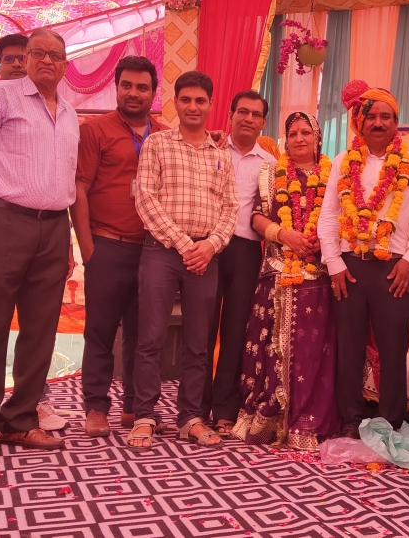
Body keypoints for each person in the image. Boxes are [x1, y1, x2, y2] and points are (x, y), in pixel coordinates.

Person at [0, 28, 78, 462]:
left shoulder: (70, 111)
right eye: (38, 53)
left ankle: (21, 419)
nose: (47, 60)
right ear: (24, 59)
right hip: (4, 222)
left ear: (65, 66)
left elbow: (65, 178)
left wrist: (67, 241)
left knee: (41, 329)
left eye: (55, 55)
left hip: (54, 228)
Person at [131, 70, 237, 451]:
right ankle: (145, 415)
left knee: (198, 342)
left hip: (205, 257)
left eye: (200, 100)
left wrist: (210, 246)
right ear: (175, 103)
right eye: (186, 99)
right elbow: (145, 198)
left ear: (211, 105)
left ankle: (189, 418)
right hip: (162, 251)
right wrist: (183, 244)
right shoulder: (157, 144)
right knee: (151, 337)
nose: (193, 107)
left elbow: (231, 207)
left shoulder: (220, 153)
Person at [317, 80, 409, 438]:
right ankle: (350, 419)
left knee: (393, 347)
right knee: (348, 346)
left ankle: (392, 421)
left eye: (386, 116)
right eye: (371, 116)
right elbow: (329, 214)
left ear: (396, 123)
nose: (378, 123)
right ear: (359, 122)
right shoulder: (342, 162)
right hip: (349, 265)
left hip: (395, 267)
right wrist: (334, 263)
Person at [70, 55, 167, 437]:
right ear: (116, 87)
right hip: (107, 246)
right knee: (100, 330)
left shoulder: (164, 136)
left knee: (143, 335)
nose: (134, 93)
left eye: (142, 87)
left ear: (153, 93)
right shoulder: (95, 131)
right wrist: (87, 247)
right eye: (127, 85)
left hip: (153, 250)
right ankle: (96, 407)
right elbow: (79, 187)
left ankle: (134, 407)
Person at [232, 112, 340, 448]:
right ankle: (270, 419)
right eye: (292, 133)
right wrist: (283, 234)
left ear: (317, 138)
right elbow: (255, 217)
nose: (299, 138)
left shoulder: (334, 175)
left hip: (319, 276)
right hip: (277, 273)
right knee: (270, 351)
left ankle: (308, 423)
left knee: (314, 353)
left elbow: (339, 217)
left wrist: (325, 238)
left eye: (305, 132)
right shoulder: (270, 173)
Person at [202, 90, 275, 435]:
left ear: (263, 122)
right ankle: (195, 405)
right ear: (230, 115)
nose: (248, 118)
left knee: (235, 331)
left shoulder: (270, 164)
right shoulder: (211, 149)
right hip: (208, 247)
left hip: (246, 251)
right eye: (242, 111)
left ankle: (224, 408)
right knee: (201, 329)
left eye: (255, 114)